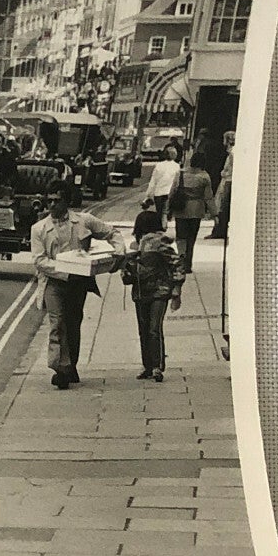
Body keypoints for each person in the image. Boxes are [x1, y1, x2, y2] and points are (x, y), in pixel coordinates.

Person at [31, 188, 121, 390]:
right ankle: (60, 369)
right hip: (54, 281)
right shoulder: (38, 228)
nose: (52, 204)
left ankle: (71, 366)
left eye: (57, 200)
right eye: (49, 200)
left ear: (66, 201)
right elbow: (39, 260)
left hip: (78, 282)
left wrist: (119, 253)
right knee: (57, 323)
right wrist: (64, 269)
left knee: (73, 323)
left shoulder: (84, 220)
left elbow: (112, 232)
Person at [121, 207, 186, 382]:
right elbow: (178, 263)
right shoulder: (138, 245)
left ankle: (154, 366)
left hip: (155, 291)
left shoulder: (157, 243)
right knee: (150, 329)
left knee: (149, 329)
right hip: (150, 291)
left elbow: (175, 263)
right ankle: (151, 366)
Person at [168, 151, 217, 273]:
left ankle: (181, 258)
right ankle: (188, 263)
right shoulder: (204, 176)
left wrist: (168, 208)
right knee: (191, 237)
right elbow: (208, 197)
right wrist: (214, 214)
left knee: (181, 236)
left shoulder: (180, 174)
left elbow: (172, 191)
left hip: (181, 209)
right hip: (196, 210)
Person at [143, 140, 182, 222]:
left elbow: (153, 181)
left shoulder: (159, 165)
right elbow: (177, 182)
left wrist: (148, 195)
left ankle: (161, 225)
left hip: (159, 193)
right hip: (170, 193)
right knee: (167, 214)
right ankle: (165, 223)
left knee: (159, 213)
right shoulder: (176, 166)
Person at [211, 130, 236, 239]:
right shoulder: (231, 152)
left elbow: (231, 168)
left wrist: (224, 173)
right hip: (227, 179)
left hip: (227, 180)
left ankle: (220, 230)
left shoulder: (232, 153)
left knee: (222, 205)